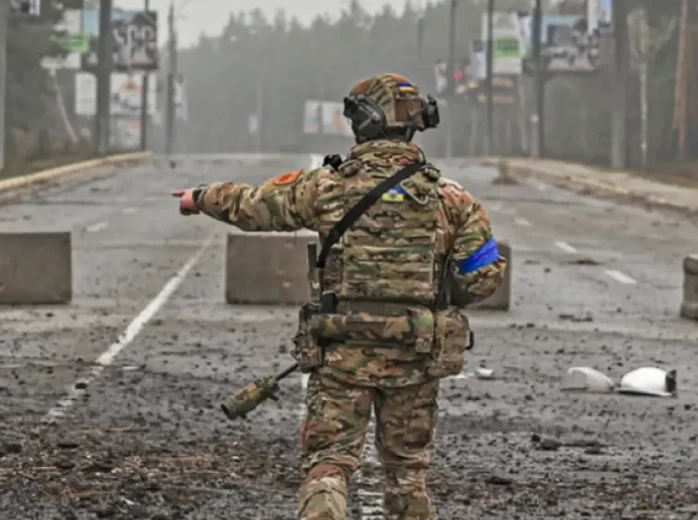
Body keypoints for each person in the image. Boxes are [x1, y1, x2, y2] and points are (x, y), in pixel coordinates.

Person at [173, 73, 506, 520]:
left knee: (328, 464)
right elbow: (483, 277)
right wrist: (435, 299)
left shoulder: (326, 187)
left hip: (341, 352)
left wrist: (200, 197)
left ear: (362, 122)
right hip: (416, 353)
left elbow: (254, 205)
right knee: (407, 472)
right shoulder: (452, 199)